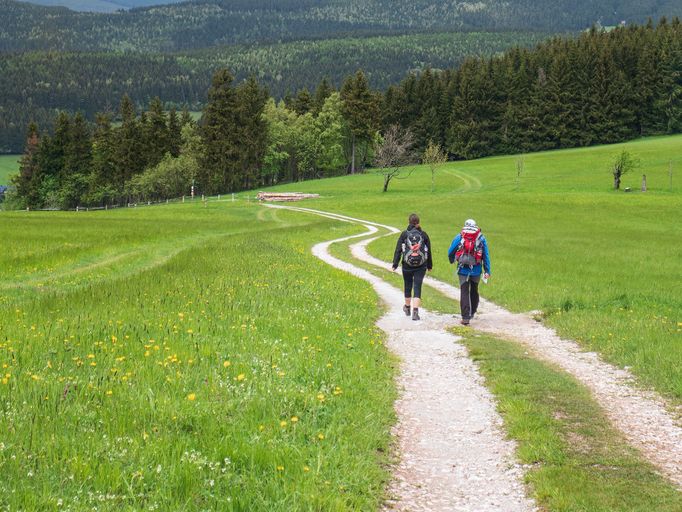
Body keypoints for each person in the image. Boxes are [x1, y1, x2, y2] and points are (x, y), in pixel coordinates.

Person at [448, 219, 491, 325]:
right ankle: (472, 312)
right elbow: (486, 255)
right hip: (476, 269)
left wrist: (452, 260)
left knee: (464, 291)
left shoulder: (460, 236)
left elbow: (450, 251)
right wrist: (487, 270)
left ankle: (465, 317)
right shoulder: (481, 238)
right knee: (474, 289)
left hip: (463, 269)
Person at [392, 213, 433, 321]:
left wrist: (395, 264)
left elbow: (398, 250)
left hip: (407, 265)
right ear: (418, 223)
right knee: (417, 286)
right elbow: (428, 251)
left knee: (408, 285)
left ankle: (407, 307)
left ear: (409, 222)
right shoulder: (423, 234)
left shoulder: (404, 234)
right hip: (421, 266)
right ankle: (415, 311)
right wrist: (429, 265)